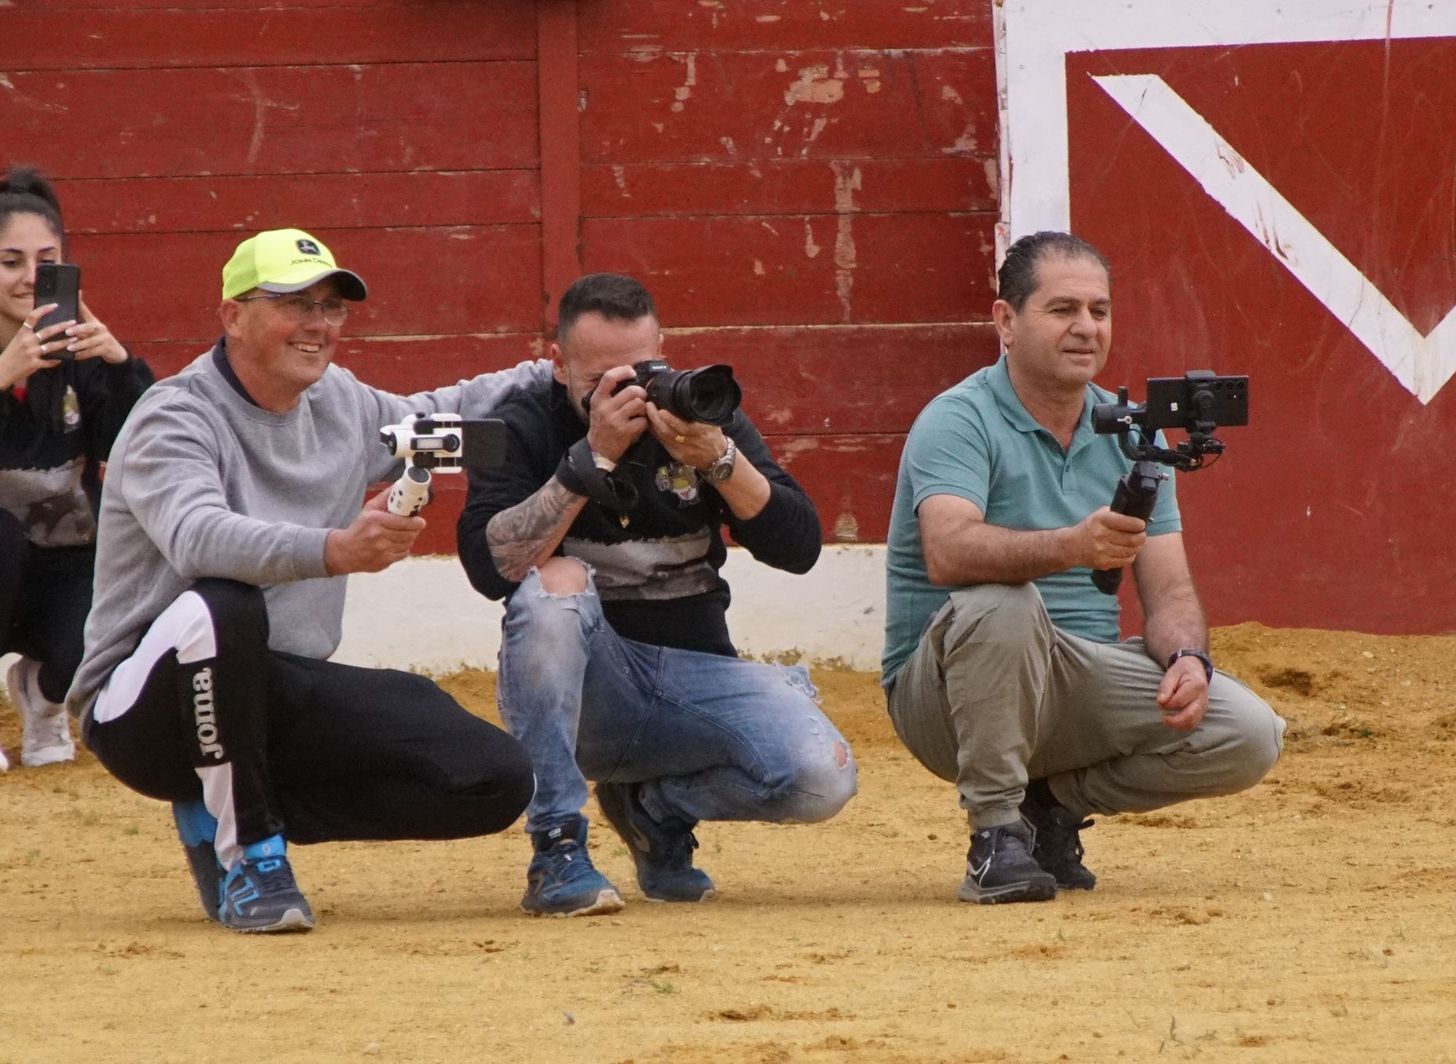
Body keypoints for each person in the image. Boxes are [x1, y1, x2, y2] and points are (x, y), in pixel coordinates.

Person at [64, 228, 543, 933]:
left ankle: (229, 805)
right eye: (295, 305)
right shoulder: (173, 413)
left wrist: (549, 381)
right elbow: (199, 537)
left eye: (332, 307)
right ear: (233, 316)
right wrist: (336, 550)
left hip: (270, 690)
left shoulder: (342, 404)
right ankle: (251, 853)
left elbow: (436, 421)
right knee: (221, 603)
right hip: (146, 712)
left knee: (493, 777)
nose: (319, 326)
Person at [882, 231, 1284, 904]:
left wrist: (1188, 658)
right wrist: (1070, 545)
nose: (1086, 328)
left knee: (1248, 733)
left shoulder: (1136, 433)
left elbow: (1171, 591)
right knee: (1003, 603)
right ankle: (995, 835)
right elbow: (949, 553)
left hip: (1074, 675)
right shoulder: (958, 418)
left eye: (1100, 310)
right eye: (1062, 309)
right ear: (1006, 321)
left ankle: (1051, 807)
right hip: (947, 696)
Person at [457, 273, 857, 917]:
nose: (629, 394)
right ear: (557, 363)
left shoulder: (698, 415)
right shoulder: (521, 420)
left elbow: (799, 547)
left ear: (664, 349)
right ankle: (557, 846)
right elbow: (489, 566)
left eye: (641, 370)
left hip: (692, 688)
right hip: (588, 697)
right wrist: (590, 459)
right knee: (555, 584)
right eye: (601, 382)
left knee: (822, 778)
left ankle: (653, 810)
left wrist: (720, 459)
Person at [1, 166, 153, 773]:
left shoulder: (80, 355)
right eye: (9, 261)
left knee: (138, 587)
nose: (29, 278)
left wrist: (120, 365)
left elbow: (148, 447)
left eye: (47, 259)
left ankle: (42, 695)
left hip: (64, 561)